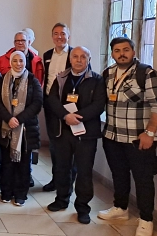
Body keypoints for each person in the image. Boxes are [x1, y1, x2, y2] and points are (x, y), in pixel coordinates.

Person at [98, 37, 157, 236]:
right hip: (113, 136)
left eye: (126, 49)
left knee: (143, 179)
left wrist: (150, 133)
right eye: (117, 50)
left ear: (133, 51)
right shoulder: (108, 73)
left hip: (139, 139)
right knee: (119, 174)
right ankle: (120, 208)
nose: (122, 54)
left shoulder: (148, 74)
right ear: (112, 54)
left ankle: (146, 219)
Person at [45, 47, 106, 224]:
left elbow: (99, 105)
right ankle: (61, 200)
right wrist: (66, 116)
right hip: (63, 131)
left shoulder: (97, 80)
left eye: (83, 57)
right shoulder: (61, 77)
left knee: (84, 172)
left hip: (86, 134)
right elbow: (52, 100)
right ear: (70, 59)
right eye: (75, 57)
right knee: (63, 168)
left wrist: (78, 117)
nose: (79, 60)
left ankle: (82, 207)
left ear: (89, 59)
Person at [0, 51, 42, 207]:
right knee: (6, 163)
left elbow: (37, 103)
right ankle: (6, 192)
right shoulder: (3, 80)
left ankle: (21, 194)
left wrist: (19, 119)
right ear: (10, 62)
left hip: (26, 129)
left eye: (21, 60)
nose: (18, 63)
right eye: (15, 60)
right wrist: (9, 118)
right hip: (6, 128)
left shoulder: (33, 80)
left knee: (23, 164)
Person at [42, 23, 73, 192]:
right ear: (52, 36)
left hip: (69, 105)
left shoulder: (75, 54)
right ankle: (56, 179)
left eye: (63, 33)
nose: (59, 37)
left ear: (68, 35)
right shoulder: (47, 55)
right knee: (54, 144)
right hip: (50, 104)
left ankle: (68, 181)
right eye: (56, 34)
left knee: (69, 145)